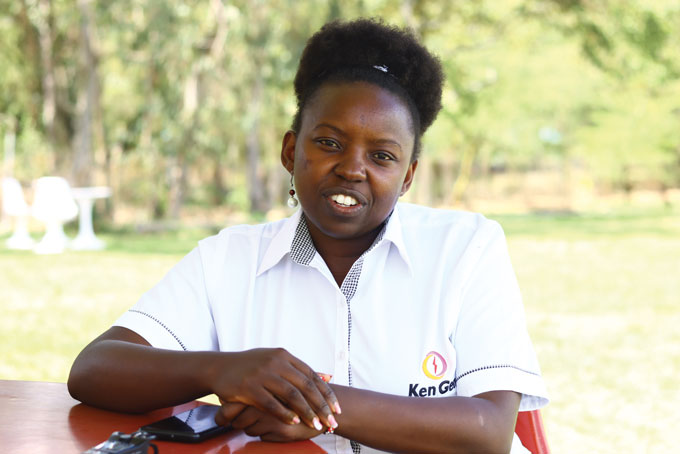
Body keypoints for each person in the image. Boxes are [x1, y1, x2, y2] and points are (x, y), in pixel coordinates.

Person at [68, 18, 548, 454]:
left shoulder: (465, 247)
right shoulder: (227, 259)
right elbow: (94, 370)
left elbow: (488, 430)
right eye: (329, 143)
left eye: (382, 156)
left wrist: (315, 406)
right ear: (290, 150)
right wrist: (222, 370)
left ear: (407, 176)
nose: (352, 169)